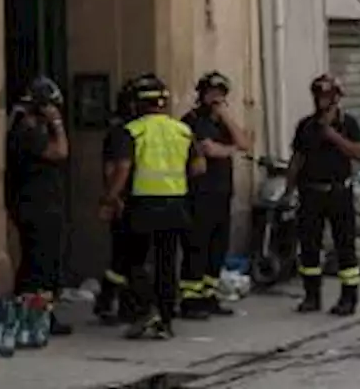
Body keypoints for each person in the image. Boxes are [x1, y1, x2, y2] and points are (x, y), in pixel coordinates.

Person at [101, 74, 205, 341]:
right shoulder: (182, 130)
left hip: (143, 205)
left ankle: (145, 313)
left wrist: (110, 198)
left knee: (136, 263)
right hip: (175, 204)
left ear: (137, 104)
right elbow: (198, 167)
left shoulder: (133, 131)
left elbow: (123, 168)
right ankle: (166, 321)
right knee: (167, 264)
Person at [286, 74, 360, 316]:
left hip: (339, 193)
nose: (322, 101)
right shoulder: (305, 126)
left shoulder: (349, 124)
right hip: (310, 193)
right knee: (309, 246)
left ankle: (349, 298)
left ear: (336, 99)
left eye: (327, 97)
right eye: (319, 96)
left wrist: (332, 135)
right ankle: (312, 296)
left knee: (345, 246)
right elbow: (297, 158)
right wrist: (288, 189)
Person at [180, 71, 251, 319]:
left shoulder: (222, 122)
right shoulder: (192, 120)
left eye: (220, 94)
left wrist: (225, 117)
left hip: (222, 193)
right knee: (197, 247)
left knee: (217, 249)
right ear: (202, 94)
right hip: (199, 194)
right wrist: (228, 149)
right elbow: (209, 150)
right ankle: (190, 300)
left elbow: (244, 143)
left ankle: (209, 296)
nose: (216, 98)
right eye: (212, 93)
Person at [5, 76, 73, 336]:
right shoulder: (27, 130)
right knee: (39, 264)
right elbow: (60, 152)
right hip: (36, 205)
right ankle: (37, 315)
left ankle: (40, 313)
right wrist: (57, 123)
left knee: (45, 262)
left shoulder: (27, 126)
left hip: (42, 203)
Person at [95, 77, 139, 326]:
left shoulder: (124, 130)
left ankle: (110, 301)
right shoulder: (123, 132)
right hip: (127, 200)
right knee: (126, 256)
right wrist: (112, 198)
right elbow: (116, 168)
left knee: (123, 257)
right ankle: (116, 303)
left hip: (132, 198)